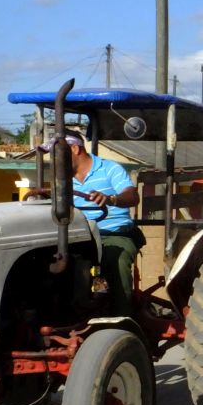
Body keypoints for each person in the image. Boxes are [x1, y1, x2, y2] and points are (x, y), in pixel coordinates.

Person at [42, 130, 142, 315]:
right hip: (80, 237)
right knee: (48, 260)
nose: (54, 160)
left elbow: (132, 196)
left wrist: (111, 199)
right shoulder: (62, 181)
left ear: (74, 149)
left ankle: (122, 316)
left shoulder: (110, 169)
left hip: (113, 234)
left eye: (57, 154)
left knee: (113, 259)